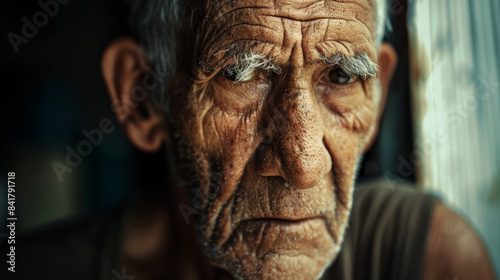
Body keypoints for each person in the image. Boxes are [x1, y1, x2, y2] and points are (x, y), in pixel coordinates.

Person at [18, 0, 495, 279]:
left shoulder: (427, 257)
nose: (304, 162)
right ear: (143, 99)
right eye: (242, 74)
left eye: (342, 77)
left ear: (379, 97)